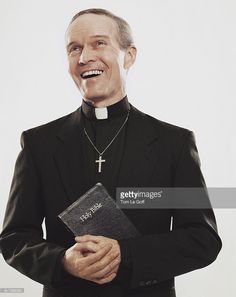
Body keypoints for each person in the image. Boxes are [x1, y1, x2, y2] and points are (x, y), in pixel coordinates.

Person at [0, 8, 222, 297]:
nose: (84, 57)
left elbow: (202, 239)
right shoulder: (38, 143)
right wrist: (62, 262)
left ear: (128, 55)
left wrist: (125, 255)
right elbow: (14, 238)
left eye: (99, 43)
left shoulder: (174, 143)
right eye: (74, 48)